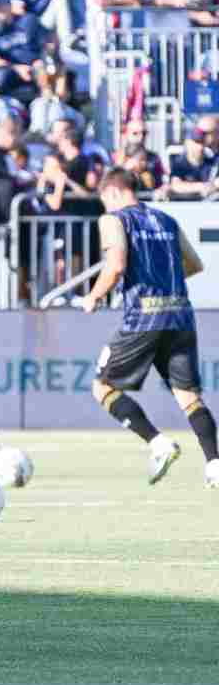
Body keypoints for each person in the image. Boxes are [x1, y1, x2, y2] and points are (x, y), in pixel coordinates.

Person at [82, 167, 217, 486]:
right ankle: (214, 464)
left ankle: (159, 444)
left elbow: (115, 266)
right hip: (181, 314)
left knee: (102, 387)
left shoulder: (114, 220)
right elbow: (195, 265)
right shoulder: (167, 220)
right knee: (189, 396)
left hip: (143, 316)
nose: (105, 208)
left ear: (113, 192)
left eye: (104, 200)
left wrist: (94, 296)